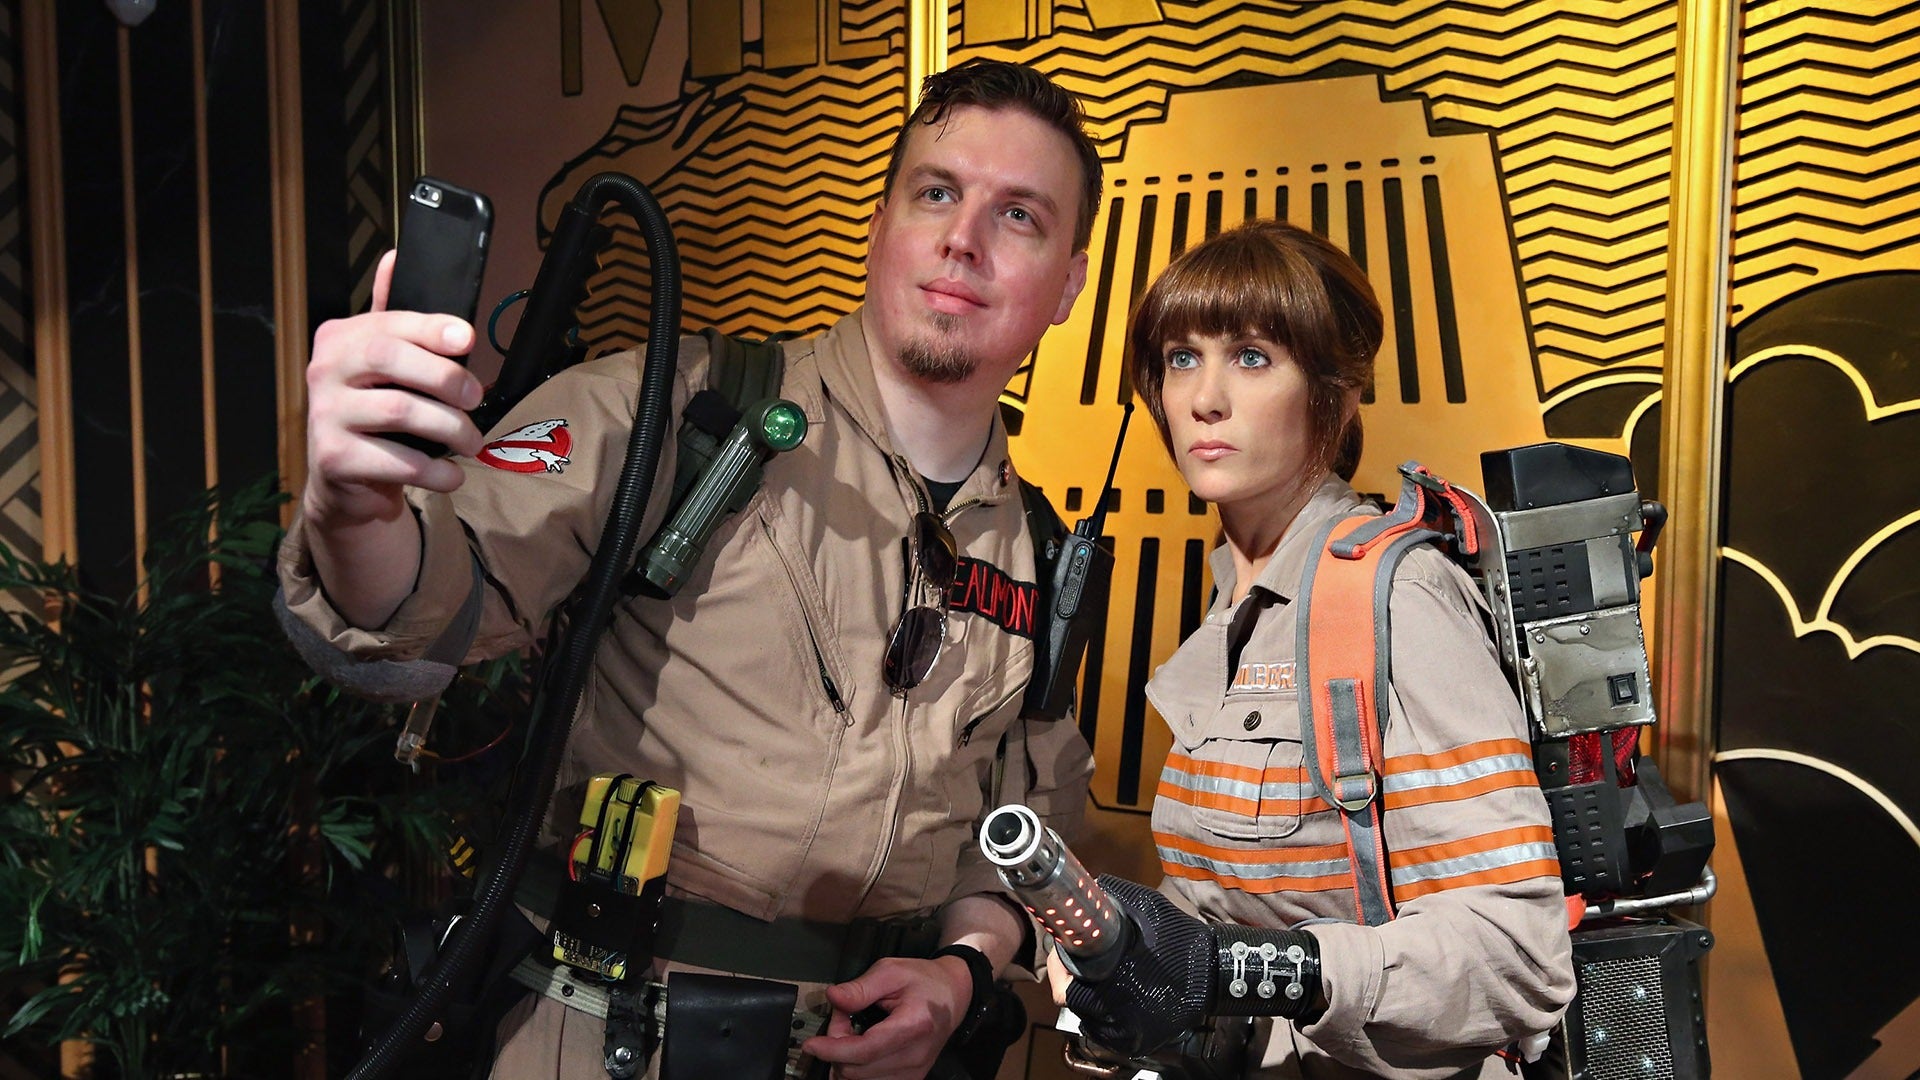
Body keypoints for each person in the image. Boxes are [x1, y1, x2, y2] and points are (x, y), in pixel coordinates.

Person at [277, 59, 1099, 1080]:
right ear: (883, 221)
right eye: (936, 192)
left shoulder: (1043, 553)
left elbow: (1019, 828)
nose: (962, 239)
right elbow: (422, 612)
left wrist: (964, 976)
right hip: (610, 1036)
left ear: (1068, 283)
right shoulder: (677, 408)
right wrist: (352, 506)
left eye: (1018, 215)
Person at [1054, 220, 1575, 1078]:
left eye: (1253, 357)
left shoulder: (1395, 598)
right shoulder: (1236, 606)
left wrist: (1239, 973)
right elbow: (1225, 918)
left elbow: (1517, 954)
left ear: (1333, 391)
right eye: (1181, 358)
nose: (1205, 397)